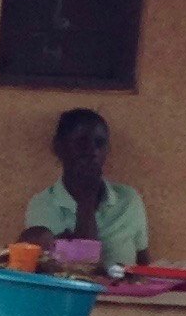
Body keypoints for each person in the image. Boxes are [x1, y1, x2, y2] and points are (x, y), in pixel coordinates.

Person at [18, 107, 150, 268]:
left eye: (100, 143)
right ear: (59, 147)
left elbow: (143, 263)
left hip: (124, 292)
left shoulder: (129, 199)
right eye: (81, 143)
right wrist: (86, 200)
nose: (92, 151)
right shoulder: (44, 204)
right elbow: (81, 267)